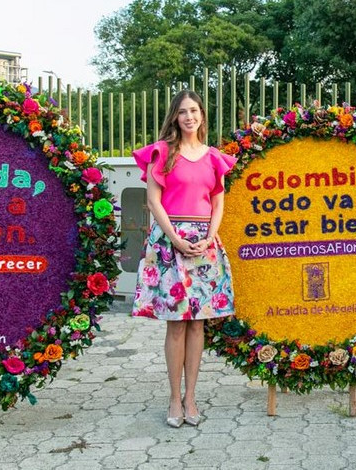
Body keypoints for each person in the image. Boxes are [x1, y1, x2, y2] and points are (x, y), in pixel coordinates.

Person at [131, 90, 237, 428]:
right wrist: (175, 238)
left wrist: (208, 238)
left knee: (198, 324)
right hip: (170, 241)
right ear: (174, 118)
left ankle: (192, 397)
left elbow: (218, 202)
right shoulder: (162, 153)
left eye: (194, 110)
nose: (189, 117)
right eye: (182, 112)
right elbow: (152, 201)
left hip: (205, 244)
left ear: (202, 115)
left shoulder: (214, 157)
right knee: (176, 324)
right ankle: (174, 400)